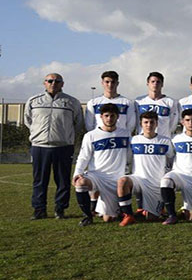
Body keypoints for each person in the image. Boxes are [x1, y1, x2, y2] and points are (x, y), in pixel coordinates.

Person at [24, 73, 84, 220]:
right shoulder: (33, 101)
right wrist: (39, 135)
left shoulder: (72, 102)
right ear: (44, 83)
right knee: (39, 180)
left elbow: (79, 124)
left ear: (62, 84)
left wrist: (65, 136)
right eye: (50, 81)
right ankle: (39, 210)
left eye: (57, 81)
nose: (53, 83)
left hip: (63, 147)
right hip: (40, 147)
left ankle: (60, 209)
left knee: (63, 180)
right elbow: (28, 121)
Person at [71, 103, 130, 226]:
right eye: (106, 116)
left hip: (117, 178)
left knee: (108, 219)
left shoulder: (126, 134)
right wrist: (78, 173)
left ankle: (114, 209)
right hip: (97, 176)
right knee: (81, 183)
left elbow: (131, 155)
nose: (109, 118)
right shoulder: (91, 135)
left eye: (112, 115)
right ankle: (88, 216)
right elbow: (83, 156)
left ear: (117, 117)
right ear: (101, 117)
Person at [116, 111, 174, 226]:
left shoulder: (165, 141)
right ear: (141, 124)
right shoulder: (134, 140)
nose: (149, 125)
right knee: (122, 181)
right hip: (138, 179)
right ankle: (128, 215)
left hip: (156, 182)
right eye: (146, 122)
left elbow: (171, 159)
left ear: (157, 124)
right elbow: (127, 159)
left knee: (151, 218)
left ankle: (155, 209)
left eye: (152, 122)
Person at [135, 72, 179, 137]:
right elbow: (135, 120)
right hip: (143, 139)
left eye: (158, 82)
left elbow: (173, 124)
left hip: (162, 140)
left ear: (162, 84)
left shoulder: (170, 102)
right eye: (153, 81)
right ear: (147, 83)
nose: (155, 84)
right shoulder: (139, 101)